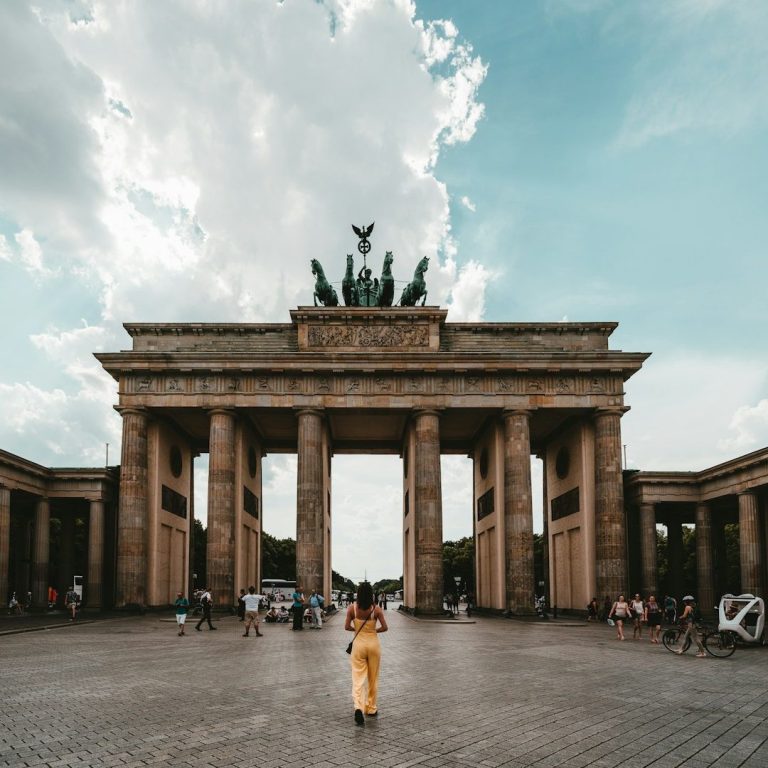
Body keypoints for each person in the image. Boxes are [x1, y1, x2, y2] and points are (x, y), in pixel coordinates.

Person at [344, 581, 388, 726]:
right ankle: (371, 708)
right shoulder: (376, 609)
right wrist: (373, 630)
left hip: (358, 646)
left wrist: (357, 630)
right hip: (373, 645)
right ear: (371, 594)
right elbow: (385, 628)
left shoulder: (352, 609)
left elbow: (346, 627)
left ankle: (358, 707)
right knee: (373, 677)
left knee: (358, 677)